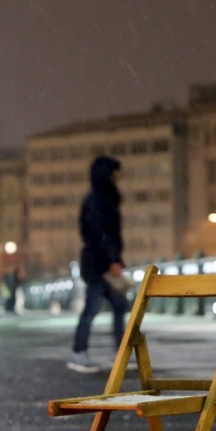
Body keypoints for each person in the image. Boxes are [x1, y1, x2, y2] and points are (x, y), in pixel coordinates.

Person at [68, 156, 129, 374]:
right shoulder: (97, 199)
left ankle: (120, 353)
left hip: (101, 262)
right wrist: (112, 259)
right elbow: (100, 233)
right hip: (97, 265)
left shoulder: (104, 197)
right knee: (92, 308)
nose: (118, 176)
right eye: (115, 172)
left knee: (119, 305)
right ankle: (79, 353)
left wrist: (115, 258)